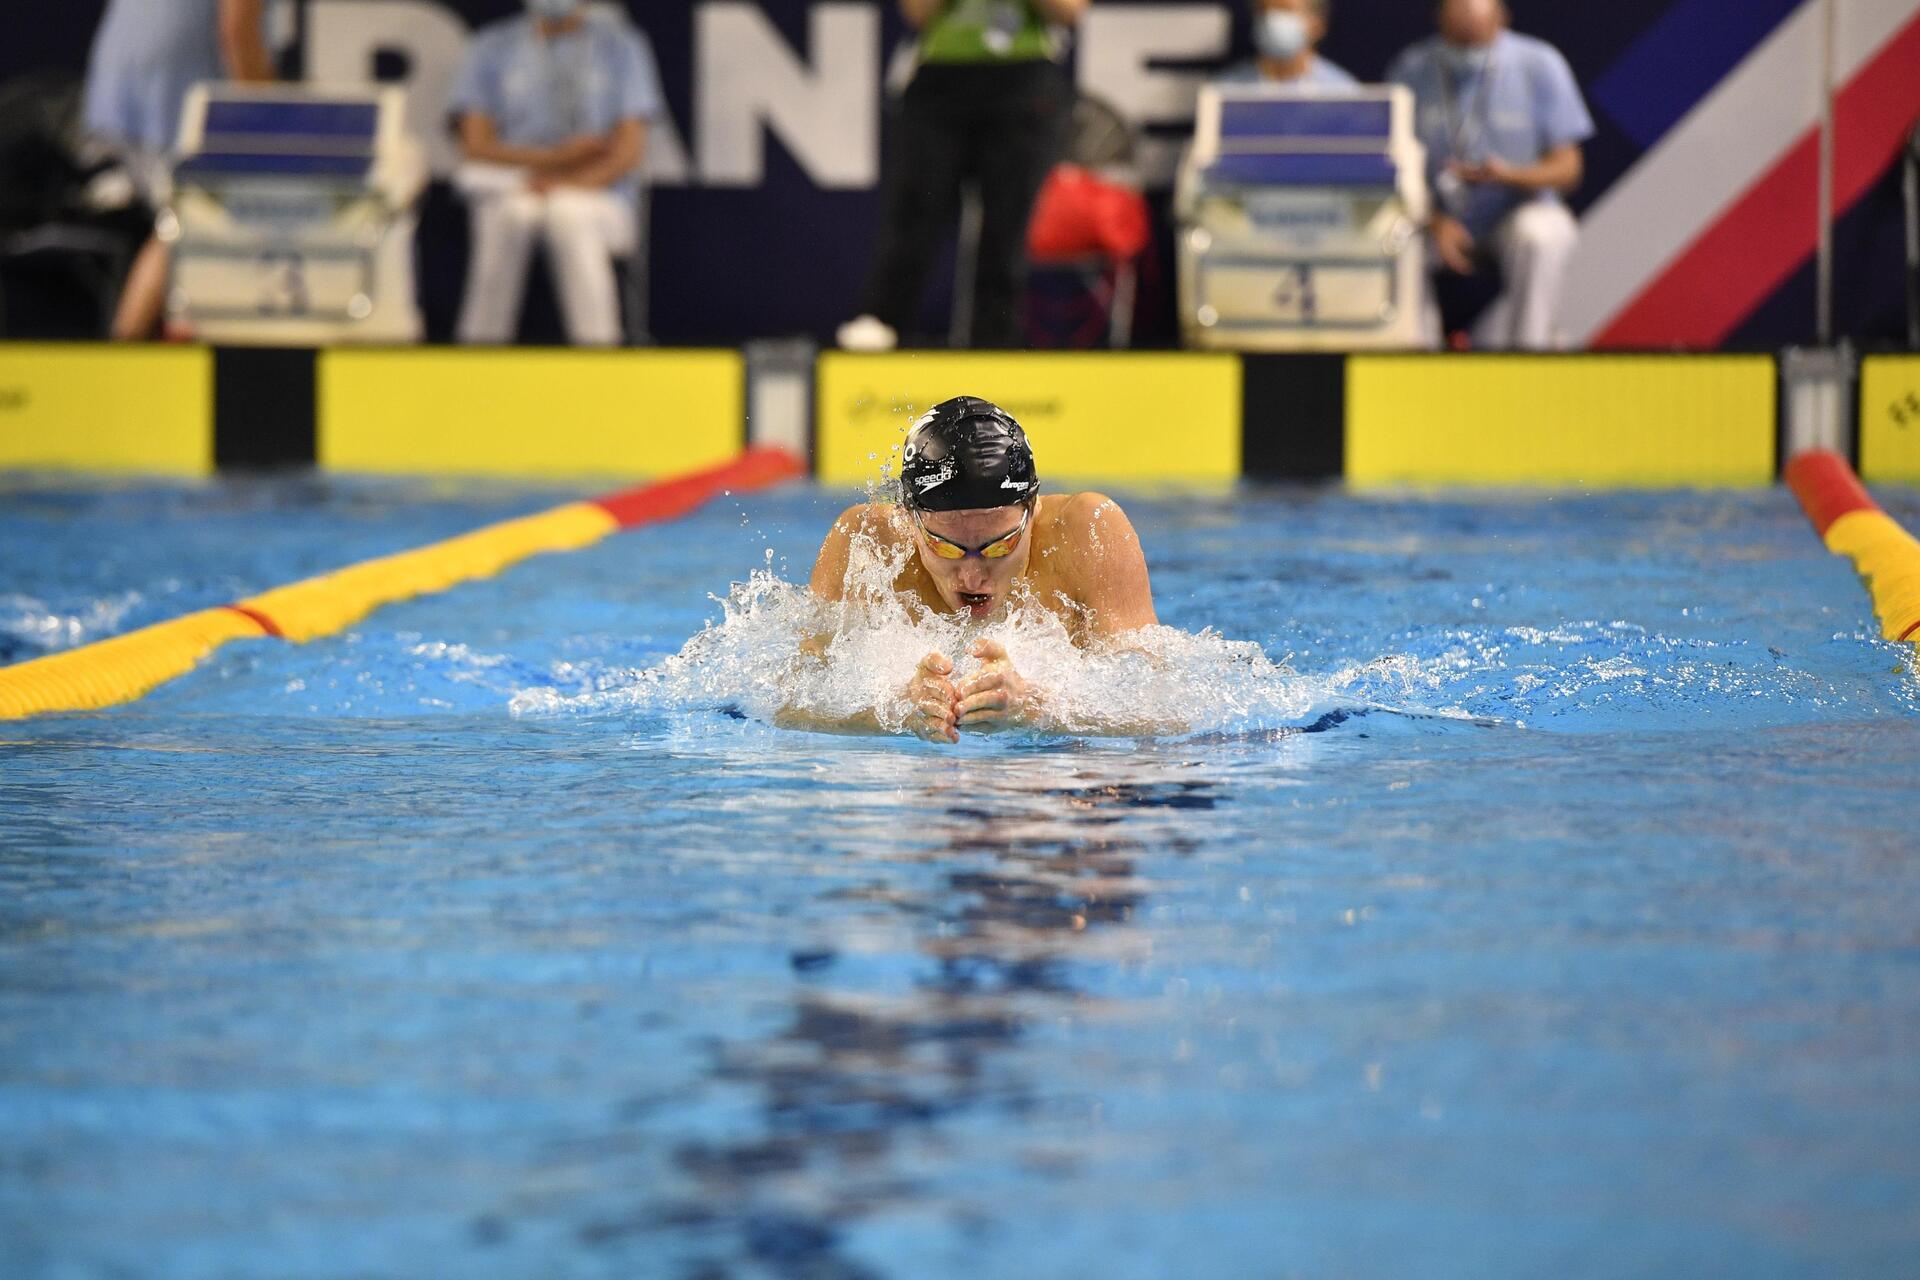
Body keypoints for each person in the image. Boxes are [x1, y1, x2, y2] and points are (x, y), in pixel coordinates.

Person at [792, 396, 1158, 743]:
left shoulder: (1087, 531)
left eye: (999, 546)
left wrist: (1037, 707)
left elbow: (1162, 707)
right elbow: (789, 704)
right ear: (910, 520)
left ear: (1033, 509)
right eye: (943, 546)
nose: (971, 577)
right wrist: (894, 712)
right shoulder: (868, 544)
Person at [836, 0, 1088, 353]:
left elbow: (1069, 10)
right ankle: (883, 323)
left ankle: (995, 343)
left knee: (1007, 226)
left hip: (1024, 82)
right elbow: (916, 11)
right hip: (941, 82)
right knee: (915, 214)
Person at [450, 0, 663, 347]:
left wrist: (562, 183)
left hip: (598, 196)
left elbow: (627, 153)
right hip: (514, 189)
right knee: (513, 213)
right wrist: (557, 159)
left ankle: (599, 359)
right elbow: (475, 146)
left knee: (568, 213)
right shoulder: (491, 45)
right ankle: (478, 356)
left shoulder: (622, 45)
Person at [1388, 0, 1593, 350]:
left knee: (1543, 235)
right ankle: (1415, 357)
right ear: (1440, 20)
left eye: (1479, 32)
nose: (1469, 42)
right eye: (1459, 33)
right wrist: (1435, 220)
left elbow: (1570, 168)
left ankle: (1530, 356)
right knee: (1394, 237)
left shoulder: (1539, 63)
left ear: (1501, 18)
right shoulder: (1411, 68)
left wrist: (1512, 176)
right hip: (1439, 219)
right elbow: (1390, 165)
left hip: (1515, 213)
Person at [83, 0, 277, 340]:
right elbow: (237, 30)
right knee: (191, 213)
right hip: (166, 88)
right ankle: (123, 353)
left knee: (193, 210)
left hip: (116, 89)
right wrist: (275, 120)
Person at [1215, 0, 1358, 90]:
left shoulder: (1342, 91)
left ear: (1317, 24)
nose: (1270, 19)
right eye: (1263, 10)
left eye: (1284, 9)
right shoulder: (1225, 90)